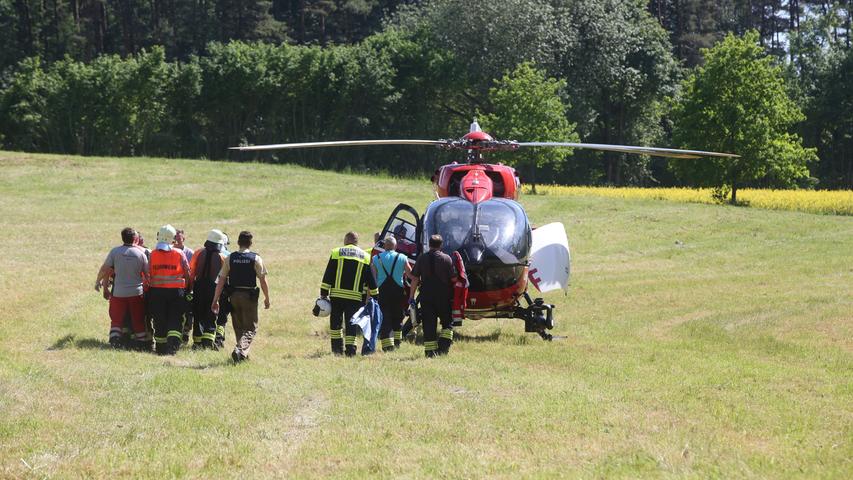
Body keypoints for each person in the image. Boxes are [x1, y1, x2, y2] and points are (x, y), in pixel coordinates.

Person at [211, 231, 270, 362]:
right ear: (250, 243)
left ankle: (241, 355)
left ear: (238, 243)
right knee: (250, 328)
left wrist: (215, 300)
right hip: (249, 297)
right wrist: (267, 298)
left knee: (238, 327)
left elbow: (221, 280)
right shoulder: (255, 258)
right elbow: (263, 280)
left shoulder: (230, 258)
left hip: (233, 296)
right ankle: (240, 350)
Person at [319, 231, 378, 356]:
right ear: (357, 242)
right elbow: (371, 279)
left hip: (337, 296)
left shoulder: (336, 253)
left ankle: (337, 350)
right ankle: (351, 351)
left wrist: (323, 293)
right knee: (351, 325)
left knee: (336, 324)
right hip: (355, 298)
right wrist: (375, 294)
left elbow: (328, 273)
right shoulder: (365, 257)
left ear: (345, 241)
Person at [95, 227, 150, 350]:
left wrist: (98, 281)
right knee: (138, 319)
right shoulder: (141, 254)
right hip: (136, 293)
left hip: (119, 292)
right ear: (135, 239)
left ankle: (115, 341)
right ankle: (141, 345)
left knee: (116, 319)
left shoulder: (115, 252)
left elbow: (105, 269)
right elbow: (148, 274)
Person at [148, 224, 192, 355]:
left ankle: (161, 348)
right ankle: (172, 347)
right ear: (172, 238)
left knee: (159, 318)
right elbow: (187, 272)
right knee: (176, 318)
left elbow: (148, 272)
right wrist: (188, 288)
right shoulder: (179, 253)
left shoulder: (153, 253)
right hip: (176, 292)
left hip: (156, 292)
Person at [409, 234, 456, 357]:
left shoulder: (422, 258)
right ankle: (443, 347)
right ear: (441, 245)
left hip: (426, 296)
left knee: (429, 324)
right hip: (443, 296)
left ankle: (430, 352)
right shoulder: (447, 259)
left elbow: (414, 279)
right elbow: (454, 279)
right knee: (447, 323)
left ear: (429, 244)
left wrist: (411, 296)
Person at [371, 236, 412, 351]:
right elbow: (411, 275)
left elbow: (372, 279)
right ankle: (397, 342)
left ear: (384, 246)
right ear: (396, 246)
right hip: (398, 291)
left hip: (382, 291)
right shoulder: (402, 257)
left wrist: (370, 296)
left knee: (385, 317)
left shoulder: (376, 258)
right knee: (398, 317)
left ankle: (387, 346)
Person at [189, 229, 227, 349]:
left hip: (198, 287)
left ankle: (197, 342)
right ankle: (208, 342)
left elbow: (192, 272)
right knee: (211, 314)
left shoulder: (198, 253)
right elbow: (224, 277)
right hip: (213, 289)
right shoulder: (222, 256)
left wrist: (190, 288)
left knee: (198, 314)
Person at [174, 229, 195, 344]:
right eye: (175, 239)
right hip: (174, 286)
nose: (177, 241)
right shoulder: (169, 252)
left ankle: (186, 333)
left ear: (183, 239)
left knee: (188, 311)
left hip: (187, 286)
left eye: (179, 238)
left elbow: (192, 272)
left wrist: (190, 287)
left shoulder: (190, 253)